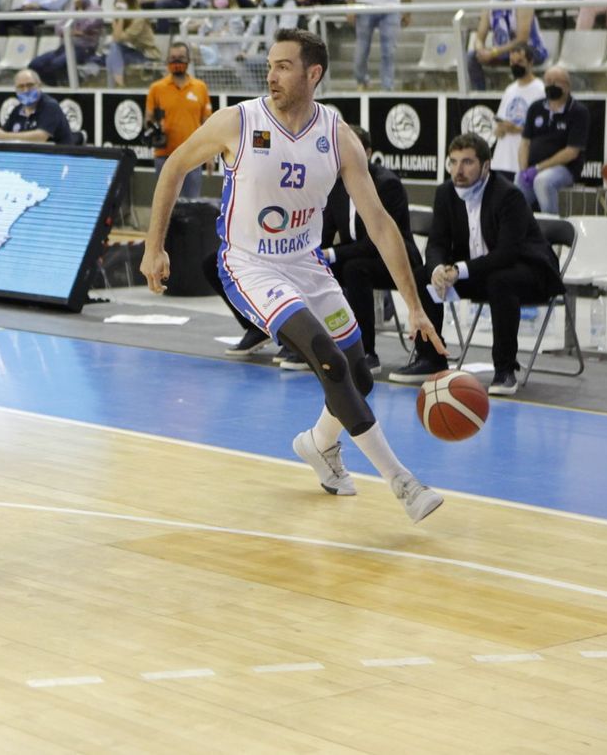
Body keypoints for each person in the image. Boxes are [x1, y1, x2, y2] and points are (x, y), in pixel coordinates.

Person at [141, 28, 447, 522]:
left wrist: (414, 304)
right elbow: (174, 166)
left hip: (307, 263)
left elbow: (381, 223)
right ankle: (402, 482)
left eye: (284, 66)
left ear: (313, 74)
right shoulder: (237, 122)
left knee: (359, 376)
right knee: (326, 356)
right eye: (270, 65)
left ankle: (319, 443)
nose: (272, 75)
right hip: (250, 265)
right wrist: (154, 246)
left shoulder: (337, 135)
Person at [392, 133, 563, 396]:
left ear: (486, 165)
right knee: (420, 276)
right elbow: (437, 243)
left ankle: (505, 370)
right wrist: (438, 270)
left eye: (467, 162)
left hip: (528, 273)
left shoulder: (509, 195)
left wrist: (459, 270)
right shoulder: (445, 193)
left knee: (501, 280)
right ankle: (430, 359)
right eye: (453, 162)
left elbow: (507, 253)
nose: (458, 170)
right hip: (478, 273)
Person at [302, 123, 423, 371]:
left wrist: (331, 253)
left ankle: (366, 353)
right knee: (312, 269)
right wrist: (309, 254)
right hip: (354, 256)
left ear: (366, 153)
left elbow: (376, 242)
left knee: (355, 269)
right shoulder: (335, 186)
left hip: (394, 259)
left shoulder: (387, 184)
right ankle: (312, 345)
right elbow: (324, 233)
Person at [517, 66, 587, 214]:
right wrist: (524, 170)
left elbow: (571, 152)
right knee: (517, 183)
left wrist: (537, 168)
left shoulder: (578, 112)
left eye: (557, 82)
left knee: (543, 181)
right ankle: (521, 229)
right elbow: (524, 143)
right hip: (533, 167)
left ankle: (552, 229)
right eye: (548, 81)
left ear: (567, 86)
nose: (551, 85)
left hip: (566, 168)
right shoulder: (535, 108)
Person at [145, 42, 210, 198]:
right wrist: (154, 128)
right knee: (166, 205)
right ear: (167, 60)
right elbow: (148, 118)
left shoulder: (200, 87)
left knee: (192, 205)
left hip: (193, 157)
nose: (176, 61)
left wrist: (209, 155)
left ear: (189, 60)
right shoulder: (157, 88)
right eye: (173, 58)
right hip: (164, 156)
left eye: (181, 57)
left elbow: (208, 124)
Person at [468, 0, 548, 91]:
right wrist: (481, 51)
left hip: (531, 50)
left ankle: (521, 92)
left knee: (517, 55)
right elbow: (479, 37)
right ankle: (479, 94)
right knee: (471, 57)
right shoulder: (489, 6)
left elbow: (522, 40)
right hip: (501, 52)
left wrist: (494, 52)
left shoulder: (523, 5)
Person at [490, 43, 544, 182]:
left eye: (519, 61)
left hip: (523, 161)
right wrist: (501, 128)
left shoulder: (540, 90)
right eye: (512, 62)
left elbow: (542, 128)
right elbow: (499, 124)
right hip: (502, 160)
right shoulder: (510, 89)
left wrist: (516, 129)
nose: (515, 65)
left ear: (530, 62)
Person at [0, 69, 74, 144]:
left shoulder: (50, 106)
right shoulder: (18, 110)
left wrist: (3, 136)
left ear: (39, 85)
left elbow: (40, 137)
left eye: (30, 85)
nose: (26, 90)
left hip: (59, 159)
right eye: (21, 86)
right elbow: (5, 132)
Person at [107, 0, 160, 86]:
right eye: (118, 2)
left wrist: (120, 17)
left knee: (112, 54)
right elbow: (115, 39)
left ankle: (116, 88)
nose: (119, 5)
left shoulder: (139, 17)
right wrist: (116, 18)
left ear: (130, 2)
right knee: (113, 52)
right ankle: (117, 86)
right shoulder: (118, 16)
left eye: (123, 2)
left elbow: (119, 38)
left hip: (147, 56)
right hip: (131, 52)